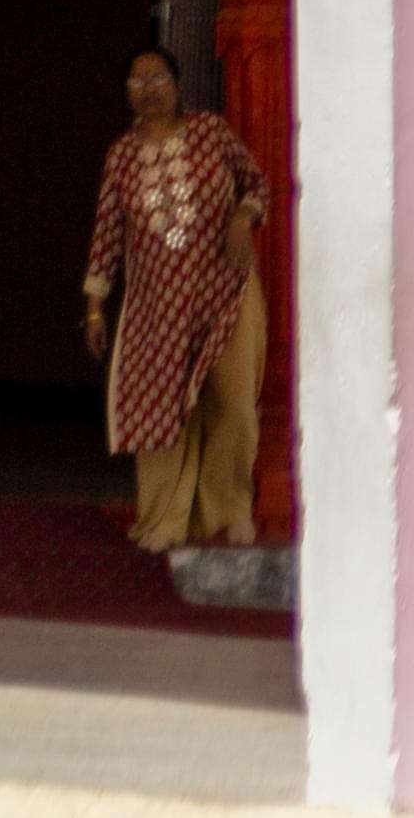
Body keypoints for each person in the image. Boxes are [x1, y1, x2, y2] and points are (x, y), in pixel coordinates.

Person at [84, 46, 269, 551]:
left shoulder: (210, 131)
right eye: (138, 82)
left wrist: (241, 217)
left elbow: (257, 181)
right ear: (127, 93)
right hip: (157, 310)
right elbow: (107, 233)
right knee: (160, 413)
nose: (149, 89)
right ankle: (164, 523)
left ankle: (226, 512)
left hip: (224, 294)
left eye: (159, 78)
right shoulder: (121, 156)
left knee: (234, 408)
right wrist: (96, 306)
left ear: (178, 83)